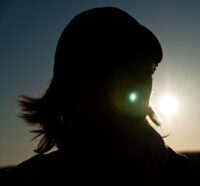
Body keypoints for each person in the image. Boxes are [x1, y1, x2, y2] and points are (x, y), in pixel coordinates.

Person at [5, 7, 188, 185]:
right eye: (119, 66)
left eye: (148, 69)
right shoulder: (28, 183)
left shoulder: (181, 174)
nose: (138, 82)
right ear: (73, 86)